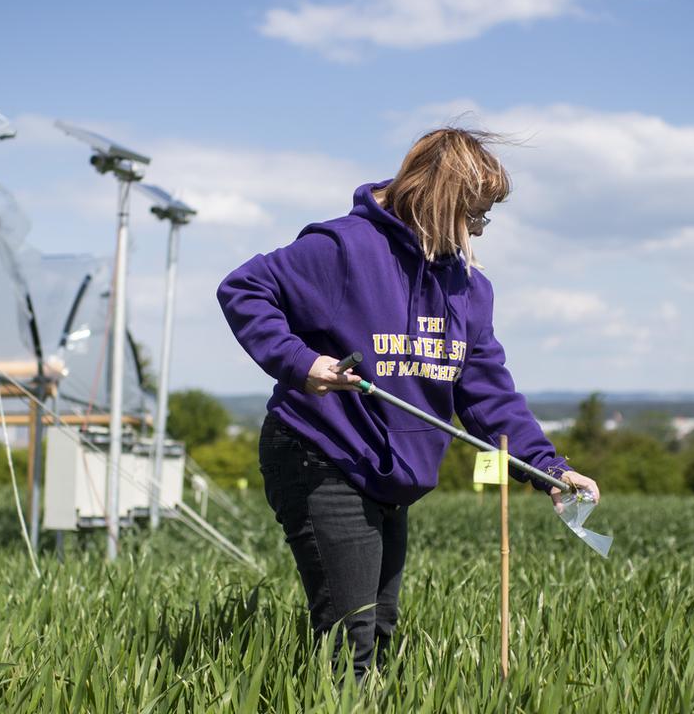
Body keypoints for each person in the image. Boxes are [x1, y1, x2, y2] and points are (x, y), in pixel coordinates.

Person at [216, 127, 599, 681]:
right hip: (323, 455)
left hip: (392, 474)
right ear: (438, 201)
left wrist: (550, 469)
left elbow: (487, 390)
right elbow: (245, 288)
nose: (477, 231)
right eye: (473, 216)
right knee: (351, 639)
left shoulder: (467, 287)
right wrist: (303, 364)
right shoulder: (344, 249)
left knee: (381, 629)